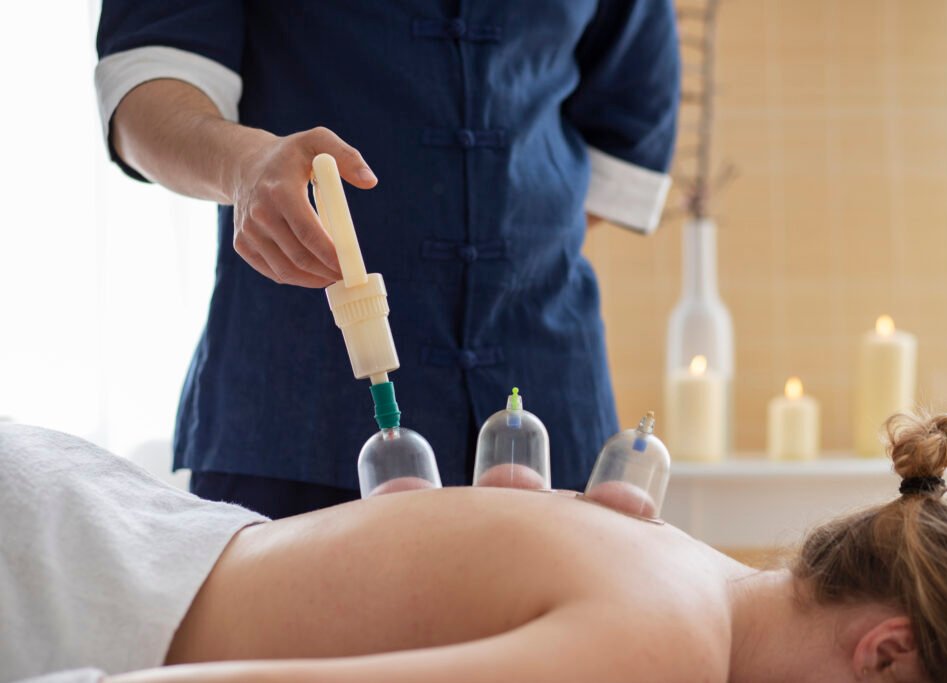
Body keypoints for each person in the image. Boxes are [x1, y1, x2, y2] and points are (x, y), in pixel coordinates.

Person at [93, 2, 682, 517]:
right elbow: (149, 88)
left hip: (552, 421)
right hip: (293, 423)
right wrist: (245, 167)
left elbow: (625, 133)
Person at [3, 412, 947, 682]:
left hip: (97, 531)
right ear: (884, 649)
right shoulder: (660, 643)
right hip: (58, 582)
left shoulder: (686, 567)